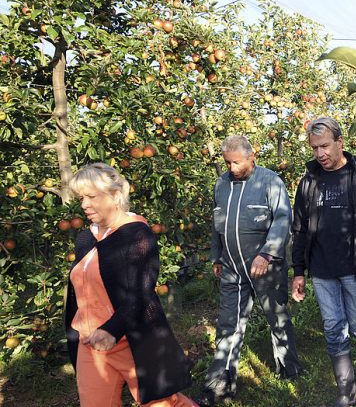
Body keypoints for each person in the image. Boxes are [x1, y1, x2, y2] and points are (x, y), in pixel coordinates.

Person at [64, 163, 197, 407]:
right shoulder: (85, 238)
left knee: (164, 404)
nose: (84, 204)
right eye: (82, 197)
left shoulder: (136, 234)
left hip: (131, 338)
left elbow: (141, 291)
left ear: (115, 195)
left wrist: (112, 329)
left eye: (91, 197)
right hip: (90, 341)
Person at [291, 117, 356, 407]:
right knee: (334, 328)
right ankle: (346, 393)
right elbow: (299, 229)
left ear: (340, 142)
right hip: (322, 269)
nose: (320, 154)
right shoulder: (309, 181)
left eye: (324, 146)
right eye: (314, 148)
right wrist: (299, 271)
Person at [198, 135, 302, 406]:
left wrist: (267, 253)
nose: (232, 168)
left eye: (237, 162)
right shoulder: (221, 184)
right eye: (228, 162)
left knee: (276, 317)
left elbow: (283, 219)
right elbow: (216, 224)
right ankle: (222, 381)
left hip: (265, 267)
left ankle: (288, 367)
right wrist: (216, 257)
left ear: (252, 155)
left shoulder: (269, 181)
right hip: (233, 266)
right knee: (228, 323)